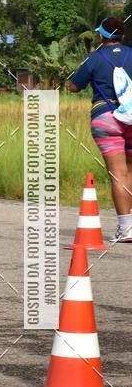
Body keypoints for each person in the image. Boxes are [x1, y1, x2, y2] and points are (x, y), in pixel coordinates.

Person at [69, 16, 132, 242]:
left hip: (105, 118)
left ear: (101, 35)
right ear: (122, 36)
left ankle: (125, 228)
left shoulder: (93, 58)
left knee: (119, 174)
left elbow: (74, 86)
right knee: (130, 172)